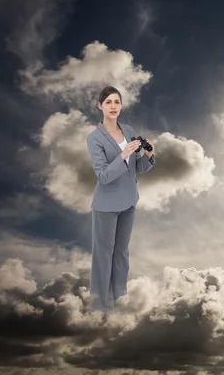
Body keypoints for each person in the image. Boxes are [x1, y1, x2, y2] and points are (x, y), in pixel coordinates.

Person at [86, 85, 156, 313]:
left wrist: (148, 155)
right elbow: (104, 176)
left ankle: (119, 302)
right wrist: (124, 155)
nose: (113, 106)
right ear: (100, 106)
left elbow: (138, 168)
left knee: (121, 254)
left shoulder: (128, 130)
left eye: (117, 102)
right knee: (103, 255)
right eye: (108, 102)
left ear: (122, 105)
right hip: (106, 205)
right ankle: (99, 307)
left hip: (128, 202)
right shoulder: (94, 138)